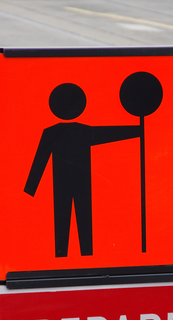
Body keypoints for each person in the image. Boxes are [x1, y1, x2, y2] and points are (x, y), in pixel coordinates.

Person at [24, 83, 142, 257]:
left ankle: (63, 255)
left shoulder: (51, 132)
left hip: (62, 184)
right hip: (81, 183)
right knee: (83, 220)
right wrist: (138, 130)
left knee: (63, 221)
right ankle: (85, 255)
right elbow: (110, 133)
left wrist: (31, 189)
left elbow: (39, 161)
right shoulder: (83, 131)